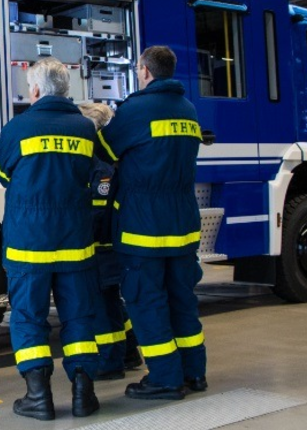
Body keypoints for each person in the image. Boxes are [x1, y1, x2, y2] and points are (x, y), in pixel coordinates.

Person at [0, 57, 100, 421]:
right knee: (79, 314)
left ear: (35, 90)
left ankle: (38, 397)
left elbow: (5, 176)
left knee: (28, 316)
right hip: (75, 239)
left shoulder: (16, 128)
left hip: (28, 242)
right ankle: (84, 394)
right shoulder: (87, 129)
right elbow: (95, 175)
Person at [99, 45, 205, 400]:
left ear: (144, 70)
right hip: (183, 225)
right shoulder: (188, 110)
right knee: (182, 300)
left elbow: (104, 151)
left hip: (144, 230)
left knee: (147, 302)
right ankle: (194, 373)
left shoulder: (135, 110)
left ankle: (164, 378)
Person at [78, 103, 142, 381]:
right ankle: (128, 350)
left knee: (101, 305)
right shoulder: (108, 159)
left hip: (101, 248)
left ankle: (109, 361)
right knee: (112, 302)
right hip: (110, 246)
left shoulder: (100, 164)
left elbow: (98, 210)